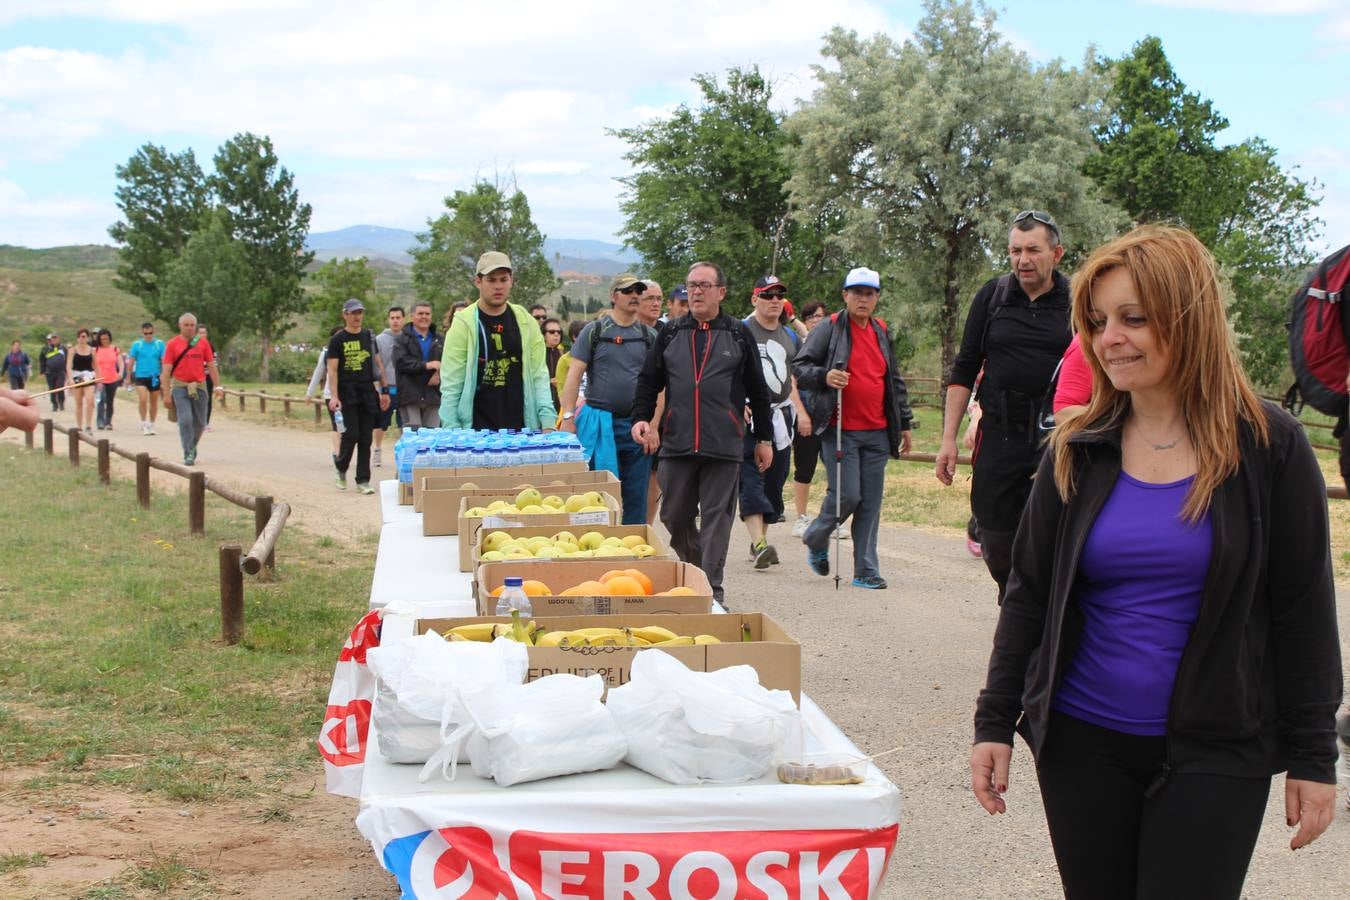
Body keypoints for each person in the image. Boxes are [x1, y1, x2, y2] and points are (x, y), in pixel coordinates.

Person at [970, 225, 1343, 898]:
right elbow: (1028, 593)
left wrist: (1315, 756)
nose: (1109, 338)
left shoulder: (1269, 447)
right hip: (1081, 746)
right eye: (1099, 321)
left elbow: (1302, 608)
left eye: (1133, 319)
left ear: (1188, 318)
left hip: (1218, 748)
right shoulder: (1077, 448)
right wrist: (994, 720)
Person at [936, 210, 1072, 602]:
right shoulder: (992, 296)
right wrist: (948, 439)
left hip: (1056, 437)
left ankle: (1033, 623)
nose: (1023, 260)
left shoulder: (1079, 299)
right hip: (999, 432)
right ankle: (1013, 600)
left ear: (1056, 254)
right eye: (1015, 250)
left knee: (1050, 532)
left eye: (1033, 250)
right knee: (994, 533)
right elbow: (964, 367)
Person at [632, 262, 773, 609]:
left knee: (717, 521)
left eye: (705, 285)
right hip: (677, 441)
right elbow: (649, 381)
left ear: (721, 292)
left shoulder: (738, 334)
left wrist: (764, 439)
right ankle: (695, 568)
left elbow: (758, 390)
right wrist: (642, 419)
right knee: (673, 515)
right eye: (692, 285)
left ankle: (710, 591)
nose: (696, 291)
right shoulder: (671, 333)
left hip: (723, 444)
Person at [793, 267, 913, 590]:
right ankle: (816, 537)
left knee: (871, 502)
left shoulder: (881, 330)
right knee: (848, 494)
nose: (863, 298)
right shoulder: (830, 327)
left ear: (876, 298)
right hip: (839, 426)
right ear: (845, 295)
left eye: (869, 293)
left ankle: (865, 571)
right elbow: (800, 368)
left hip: (877, 430)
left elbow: (894, 380)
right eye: (856, 292)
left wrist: (905, 423)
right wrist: (825, 377)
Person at [560, 274, 660, 525]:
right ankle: (600, 548)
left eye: (639, 290)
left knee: (636, 493)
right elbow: (574, 375)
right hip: (599, 425)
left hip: (637, 427)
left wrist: (655, 426)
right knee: (599, 493)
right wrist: (568, 417)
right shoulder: (595, 331)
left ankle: (635, 548)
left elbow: (661, 386)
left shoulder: (649, 336)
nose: (635, 295)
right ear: (614, 296)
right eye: (628, 291)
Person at [438, 251, 555, 431]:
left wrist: (548, 421)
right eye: (491, 280)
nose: (498, 286)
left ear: (511, 281)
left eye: (503, 279)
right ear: (478, 281)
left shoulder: (525, 321)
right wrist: (451, 429)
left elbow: (539, 374)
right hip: (475, 430)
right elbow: (451, 383)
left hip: (521, 429)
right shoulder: (464, 323)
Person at [739, 275, 811, 569]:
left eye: (779, 295)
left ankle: (759, 544)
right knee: (751, 478)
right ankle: (759, 543)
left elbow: (790, 378)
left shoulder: (789, 336)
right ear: (755, 299)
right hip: (747, 415)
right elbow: (726, 369)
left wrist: (802, 412)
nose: (774, 300)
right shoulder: (740, 331)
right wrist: (737, 401)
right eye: (768, 295)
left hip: (780, 416)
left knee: (774, 480)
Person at [326, 299, 391, 494]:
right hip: (346, 393)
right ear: (345, 315)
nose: (357, 317)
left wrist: (384, 391)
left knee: (365, 438)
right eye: (353, 313)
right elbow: (332, 370)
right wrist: (334, 397)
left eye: (360, 313)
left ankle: (363, 480)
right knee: (351, 434)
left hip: (367, 391)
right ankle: (341, 466)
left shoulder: (368, 337)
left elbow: (379, 365)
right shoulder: (337, 340)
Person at [161, 313, 222, 466]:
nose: (189, 328)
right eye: (186, 325)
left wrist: (217, 386)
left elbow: (211, 366)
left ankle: (192, 446)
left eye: (192, 325)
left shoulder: (203, 344)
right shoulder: (172, 344)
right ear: (180, 326)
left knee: (200, 423)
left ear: (195, 326)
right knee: (185, 419)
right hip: (180, 386)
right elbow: (166, 371)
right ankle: (188, 452)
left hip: (199, 386)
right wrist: (166, 394)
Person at [789, 301, 828, 536]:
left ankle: (830, 518)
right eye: (812, 316)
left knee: (835, 465)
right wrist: (801, 414)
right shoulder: (799, 344)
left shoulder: (833, 344)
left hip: (828, 413)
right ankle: (802, 517)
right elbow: (792, 380)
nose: (817, 320)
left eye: (821, 316)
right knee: (805, 465)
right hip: (805, 411)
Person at [392, 300, 445, 431]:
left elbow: (447, 362)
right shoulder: (401, 339)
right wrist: (426, 366)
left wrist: (438, 373)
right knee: (413, 437)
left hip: (433, 396)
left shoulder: (439, 339)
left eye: (427, 314)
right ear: (412, 316)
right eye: (420, 313)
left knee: (432, 438)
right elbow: (400, 363)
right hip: (410, 395)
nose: (424, 317)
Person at [373, 306, 405, 467]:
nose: (395, 321)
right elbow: (377, 366)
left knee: (404, 422)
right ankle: (377, 449)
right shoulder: (379, 340)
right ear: (388, 320)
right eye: (392, 318)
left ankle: (404, 453)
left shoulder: (407, 338)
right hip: (386, 388)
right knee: (381, 422)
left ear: (403, 319)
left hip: (404, 388)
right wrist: (379, 388)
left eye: (398, 318)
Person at [306, 328, 345, 456]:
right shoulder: (327, 353)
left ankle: (343, 451)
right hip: (331, 394)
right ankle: (338, 453)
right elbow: (318, 373)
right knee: (337, 424)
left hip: (348, 393)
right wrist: (309, 393)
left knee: (347, 426)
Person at [127, 322, 166, 435]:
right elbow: (131, 362)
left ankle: (152, 424)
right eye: (146, 333)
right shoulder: (137, 345)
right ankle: (143, 422)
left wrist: (164, 375)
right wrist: (128, 377)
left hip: (154, 376)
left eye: (150, 333)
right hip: (141, 376)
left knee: (154, 402)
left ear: (154, 332)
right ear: (142, 333)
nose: (148, 335)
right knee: (143, 399)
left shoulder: (159, 344)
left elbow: (164, 361)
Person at [92, 329, 124, 431]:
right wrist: (96, 377)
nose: (104, 341)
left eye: (106, 339)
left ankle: (108, 422)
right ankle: (100, 421)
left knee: (110, 401)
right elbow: (92, 364)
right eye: (102, 339)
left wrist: (121, 373)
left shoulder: (115, 349)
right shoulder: (95, 350)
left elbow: (120, 362)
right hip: (100, 379)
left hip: (112, 378)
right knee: (101, 399)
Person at [67, 328, 96, 434]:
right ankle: (79, 426)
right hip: (77, 375)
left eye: (84, 336)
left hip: (88, 375)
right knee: (78, 402)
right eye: (80, 336)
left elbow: (96, 365)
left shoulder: (92, 350)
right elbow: (69, 366)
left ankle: (88, 426)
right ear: (77, 338)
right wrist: (70, 379)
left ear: (87, 338)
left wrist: (99, 377)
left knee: (89, 400)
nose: (82, 339)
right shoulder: (72, 350)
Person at [37, 334, 67, 412]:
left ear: (58, 339)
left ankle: (61, 402)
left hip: (61, 372)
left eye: (55, 338)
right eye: (51, 339)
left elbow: (67, 359)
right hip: (49, 372)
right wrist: (42, 371)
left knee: (60, 387)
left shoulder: (63, 348)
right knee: (52, 388)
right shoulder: (45, 349)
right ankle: (54, 404)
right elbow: (42, 360)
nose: (53, 340)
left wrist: (67, 370)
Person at [195, 323, 216, 430]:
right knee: (195, 398)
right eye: (200, 333)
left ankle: (205, 423)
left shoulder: (210, 346)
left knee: (207, 399)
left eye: (204, 333)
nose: (202, 335)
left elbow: (214, 362)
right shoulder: (191, 344)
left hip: (207, 376)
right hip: (194, 377)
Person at [542, 317, 564, 410]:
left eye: (558, 332)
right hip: (543, 403)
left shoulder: (562, 353)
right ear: (543, 335)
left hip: (560, 404)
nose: (556, 334)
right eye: (551, 331)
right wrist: (549, 382)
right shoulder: (537, 353)